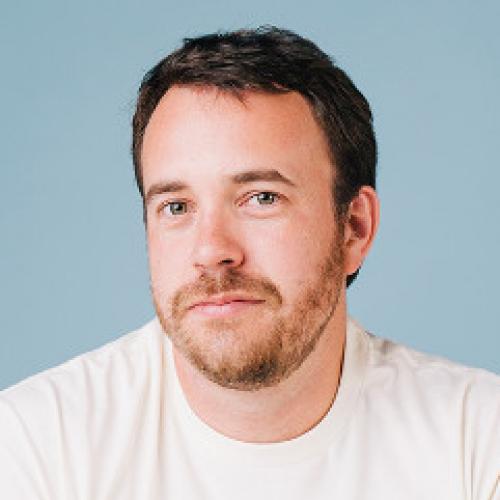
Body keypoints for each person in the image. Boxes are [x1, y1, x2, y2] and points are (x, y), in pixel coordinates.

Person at [1, 26, 499, 499]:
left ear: (354, 227)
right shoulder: (36, 446)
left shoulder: (477, 442)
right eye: (177, 207)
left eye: (262, 198)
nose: (211, 249)